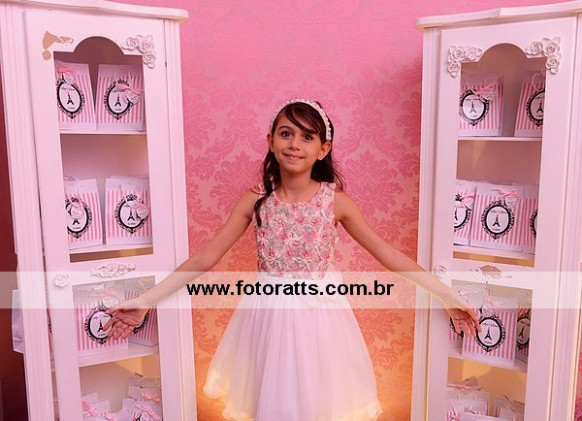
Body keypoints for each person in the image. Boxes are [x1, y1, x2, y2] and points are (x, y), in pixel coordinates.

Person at [105, 98, 479, 420]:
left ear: (324, 148)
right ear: (270, 141)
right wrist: (146, 301)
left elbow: (389, 255)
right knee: (274, 399)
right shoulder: (255, 200)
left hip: (321, 320)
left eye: (307, 136)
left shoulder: (336, 202)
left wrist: (446, 295)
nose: (295, 144)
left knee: (318, 401)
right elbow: (205, 257)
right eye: (286, 133)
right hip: (268, 316)